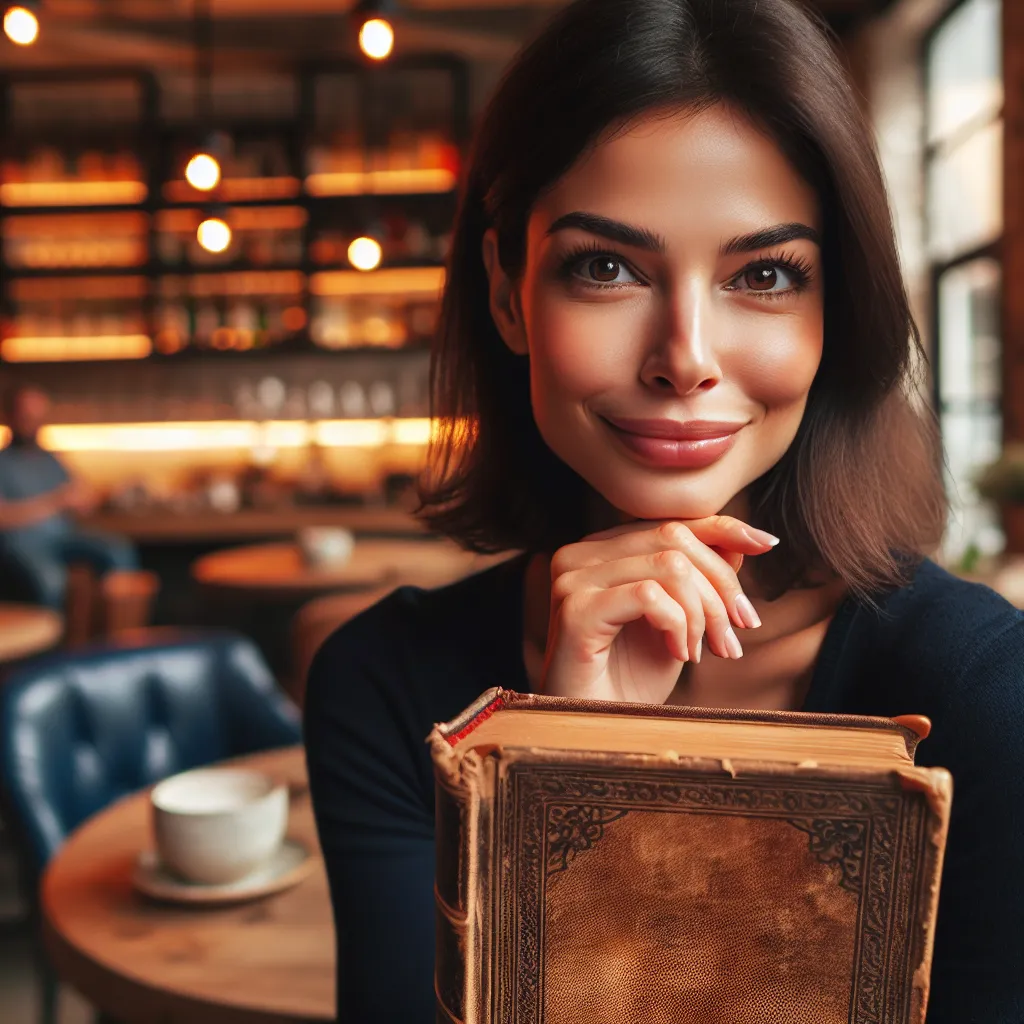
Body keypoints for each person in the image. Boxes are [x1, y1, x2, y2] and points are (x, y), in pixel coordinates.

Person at [304, 0, 1024, 1020]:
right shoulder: (383, 690)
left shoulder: (989, 700)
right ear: (509, 294)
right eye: (606, 267)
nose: (684, 356)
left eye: (764, 275)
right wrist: (567, 775)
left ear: (837, 313)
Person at [0, 385, 139, 610]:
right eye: (26, 417)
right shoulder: (3, 463)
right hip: (22, 545)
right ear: (9, 416)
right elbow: (3, 516)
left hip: (62, 538)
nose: (33, 424)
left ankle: (114, 634)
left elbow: (83, 498)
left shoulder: (50, 459)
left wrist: (83, 498)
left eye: (38, 418)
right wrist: (54, 502)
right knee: (51, 579)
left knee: (117, 550)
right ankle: (54, 644)